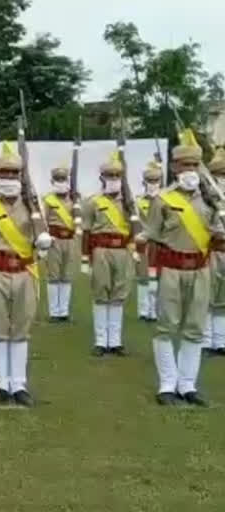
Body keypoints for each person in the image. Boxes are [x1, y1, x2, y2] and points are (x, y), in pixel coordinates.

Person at [145, 130, 224, 406]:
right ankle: (167, 384)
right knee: (167, 327)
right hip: (171, 269)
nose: (190, 170)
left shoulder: (211, 200)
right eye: (185, 165)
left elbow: (217, 236)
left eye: (194, 165)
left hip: (201, 269)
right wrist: (152, 278)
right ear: (174, 167)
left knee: (194, 328)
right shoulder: (163, 200)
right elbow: (152, 240)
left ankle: (187, 384)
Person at [0, 142, 50, 407]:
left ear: (21, 176)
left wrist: (42, 238)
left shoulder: (33, 205)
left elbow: (43, 238)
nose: (9, 178)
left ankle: (19, 384)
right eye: (4, 173)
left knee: (21, 330)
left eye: (14, 173)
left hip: (25, 271)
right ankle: (0, 384)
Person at [81, 153, 133, 357]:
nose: (113, 179)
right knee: (102, 295)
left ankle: (116, 341)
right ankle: (101, 341)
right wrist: (85, 258)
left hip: (122, 250)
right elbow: (86, 230)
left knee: (118, 295)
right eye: (109, 175)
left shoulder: (129, 202)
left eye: (117, 175)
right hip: (101, 249)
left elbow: (136, 227)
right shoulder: (93, 201)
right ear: (102, 177)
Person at [43, 165, 78, 322]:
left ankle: (63, 311)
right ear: (52, 181)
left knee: (66, 276)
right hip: (54, 239)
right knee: (53, 276)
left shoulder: (75, 199)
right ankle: (54, 312)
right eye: (57, 179)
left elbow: (79, 219)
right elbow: (44, 221)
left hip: (69, 240)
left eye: (63, 179)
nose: (60, 182)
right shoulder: (48, 199)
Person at [203, 148, 225, 356]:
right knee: (209, 297)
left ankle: (221, 341)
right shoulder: (207, 200)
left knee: (223, 299)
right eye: (220, 175)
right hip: (214, 250)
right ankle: (207, 339)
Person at [136, 162, 163, 322]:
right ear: (144, 182)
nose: (153, 184)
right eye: (150, 181)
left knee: (159, 277)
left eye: (156, 181)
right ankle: (143, 310)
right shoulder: (138, 202)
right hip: (144, 243)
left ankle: (155, 310)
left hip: (160, 244)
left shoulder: (164, 201)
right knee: (143, 277)